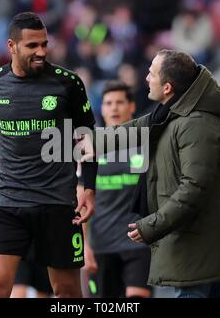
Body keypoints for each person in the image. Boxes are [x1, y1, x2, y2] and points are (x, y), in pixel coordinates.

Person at [84, 49, 220, 298]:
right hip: (189, 247)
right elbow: (133, 130)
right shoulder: (169, 115)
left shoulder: (196, 123)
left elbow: (193, 189)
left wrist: (151, 226)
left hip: (196, 249)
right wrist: (83, 142)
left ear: (167, 87)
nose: (146, 78)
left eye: (151, 73)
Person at [0, 12, 97, 298]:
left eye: (44, 45)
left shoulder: (68, 84)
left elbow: (86, 135)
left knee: (66, 291)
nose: (41, 52)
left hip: (58, 204)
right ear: (11, 46)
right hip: (9, 201)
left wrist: (88, 187)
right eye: (32, 46)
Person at [82, 81, 151, 298]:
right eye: (108, 103)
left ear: (131, 106)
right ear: (101, 108)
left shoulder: (145, 143)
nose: (114, 108)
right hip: (101, 245)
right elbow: (79, 199)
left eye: (120, 102)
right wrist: (85, 246)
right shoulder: (90, 146)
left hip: (139, 243)